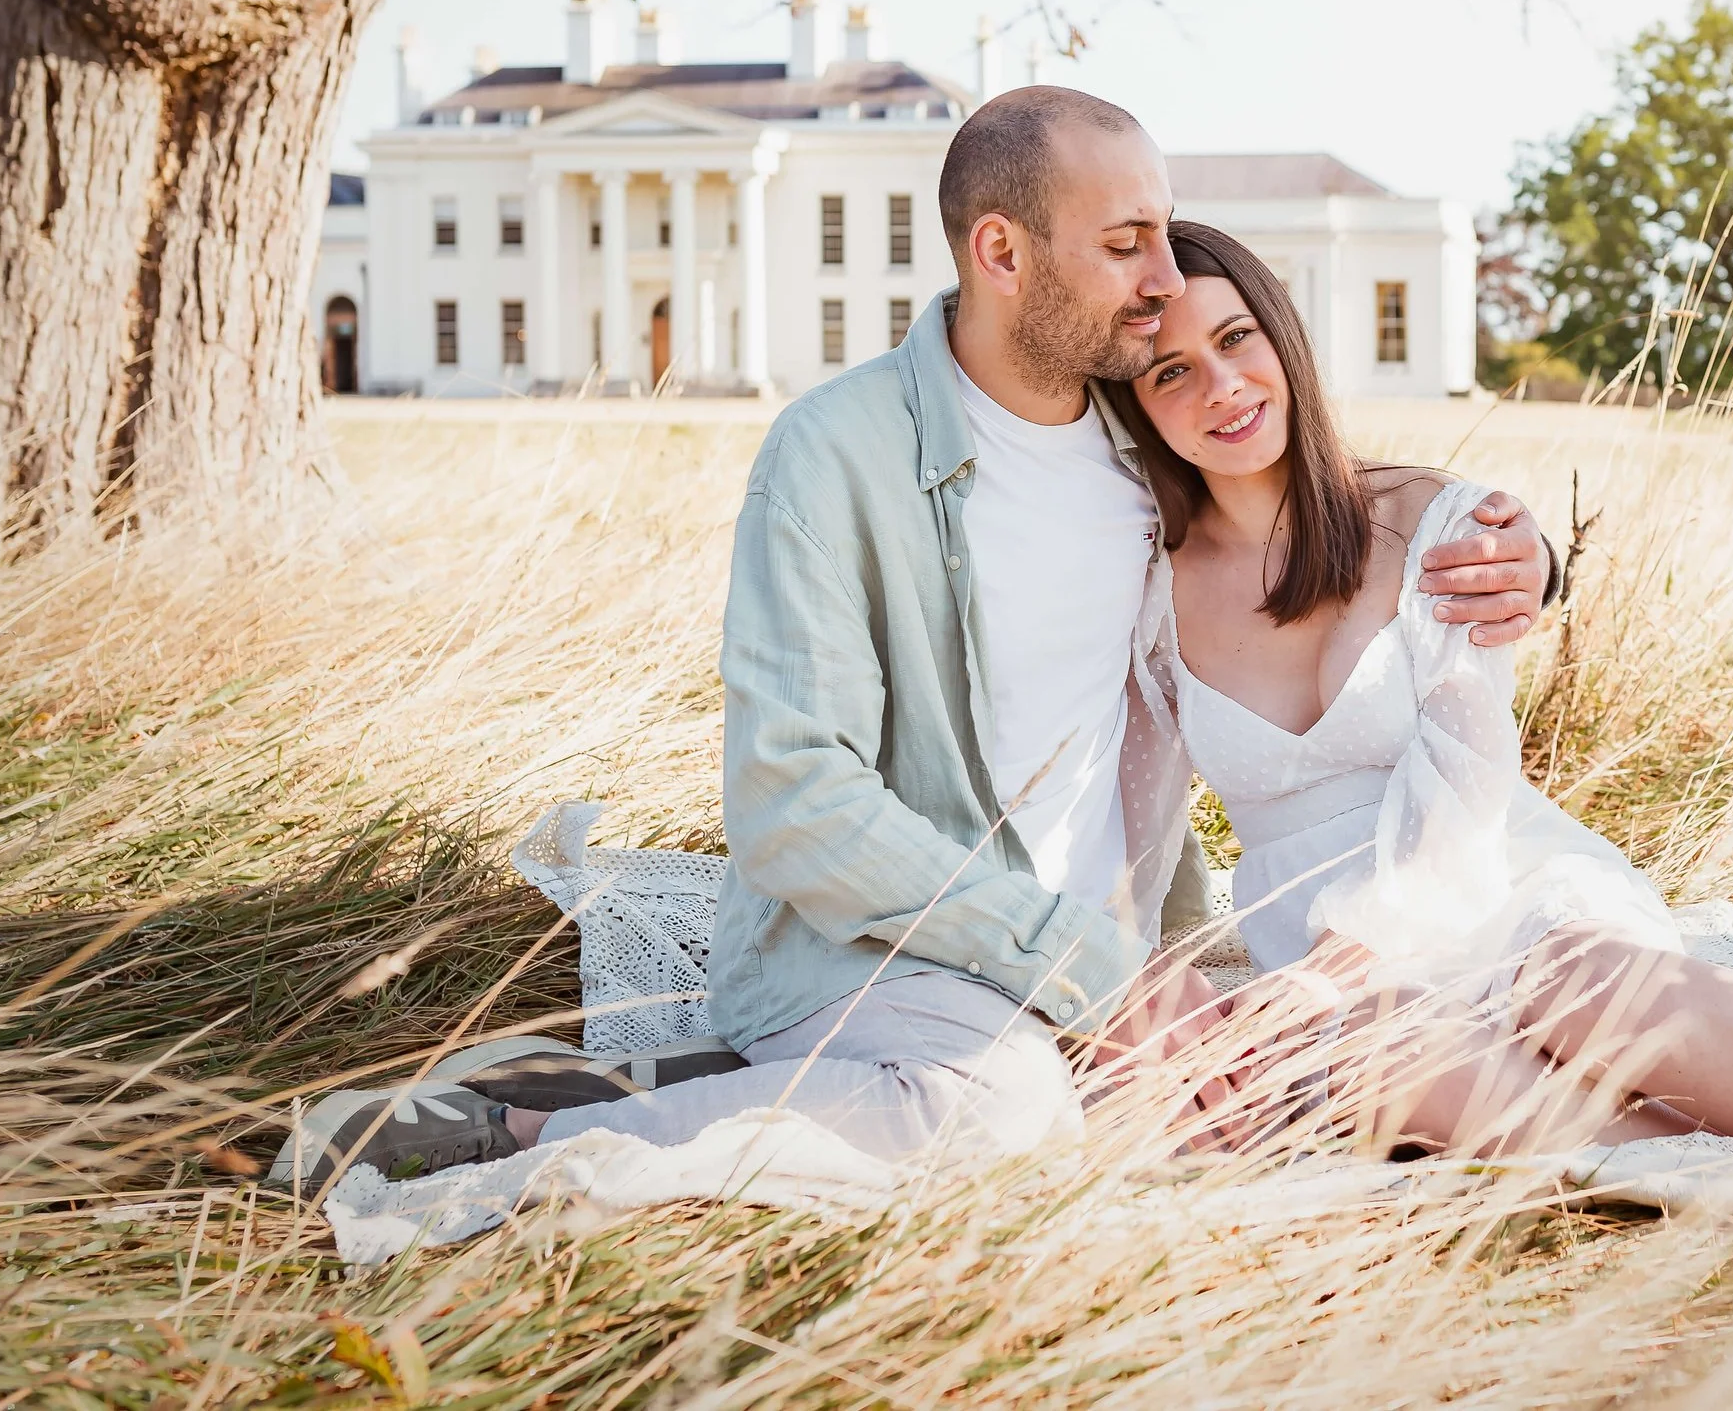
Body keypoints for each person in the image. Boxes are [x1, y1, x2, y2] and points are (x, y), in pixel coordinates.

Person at [274, 91, 1554, 1195]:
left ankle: (734, 1088)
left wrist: (1525, 549)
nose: (1165, 279)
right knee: (997, 1115)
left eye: (1164, 236)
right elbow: (790, 805)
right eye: (1126, 243)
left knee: (1324, 1088)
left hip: (1100, 955)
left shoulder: (1140, 431)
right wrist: (1093, 971)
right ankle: (526, 1127)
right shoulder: (836, 455)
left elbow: (1313, 495)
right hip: (894, 941)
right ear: (1002, 250)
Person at [1114, 220, 1733, 1175]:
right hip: (1335, 975)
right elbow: (1131, 834)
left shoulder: (1433, 521)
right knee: (1389, 1053)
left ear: (1281, 337)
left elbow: (1466, 791)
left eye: (1235, 340)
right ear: (1142, 410)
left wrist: (1327, 976)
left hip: (1496, 884)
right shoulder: (1152, 598)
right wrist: (1149, 982)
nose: (1220, 387)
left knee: (1587, 983)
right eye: (1170, 373)